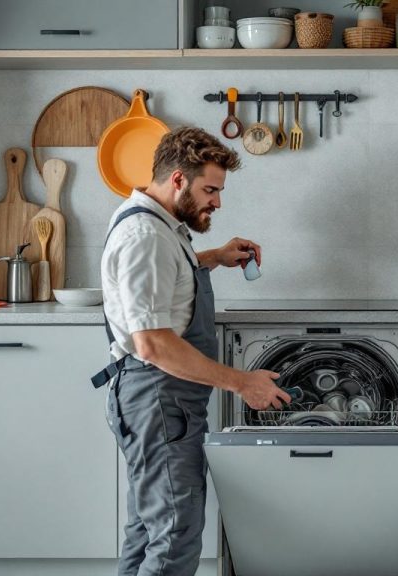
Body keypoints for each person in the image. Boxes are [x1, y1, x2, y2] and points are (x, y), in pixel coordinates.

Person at [93, 126, 291, 576]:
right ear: (179, 179)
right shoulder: (145, 234)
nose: (217, 202)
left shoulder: (158, 224)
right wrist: (243, 384)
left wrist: (212, 257)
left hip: (160, 398)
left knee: (149, 527)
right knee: (176, 532)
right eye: (210, 190)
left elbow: (165, 276)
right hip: (159, 397)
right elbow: (153, 343)